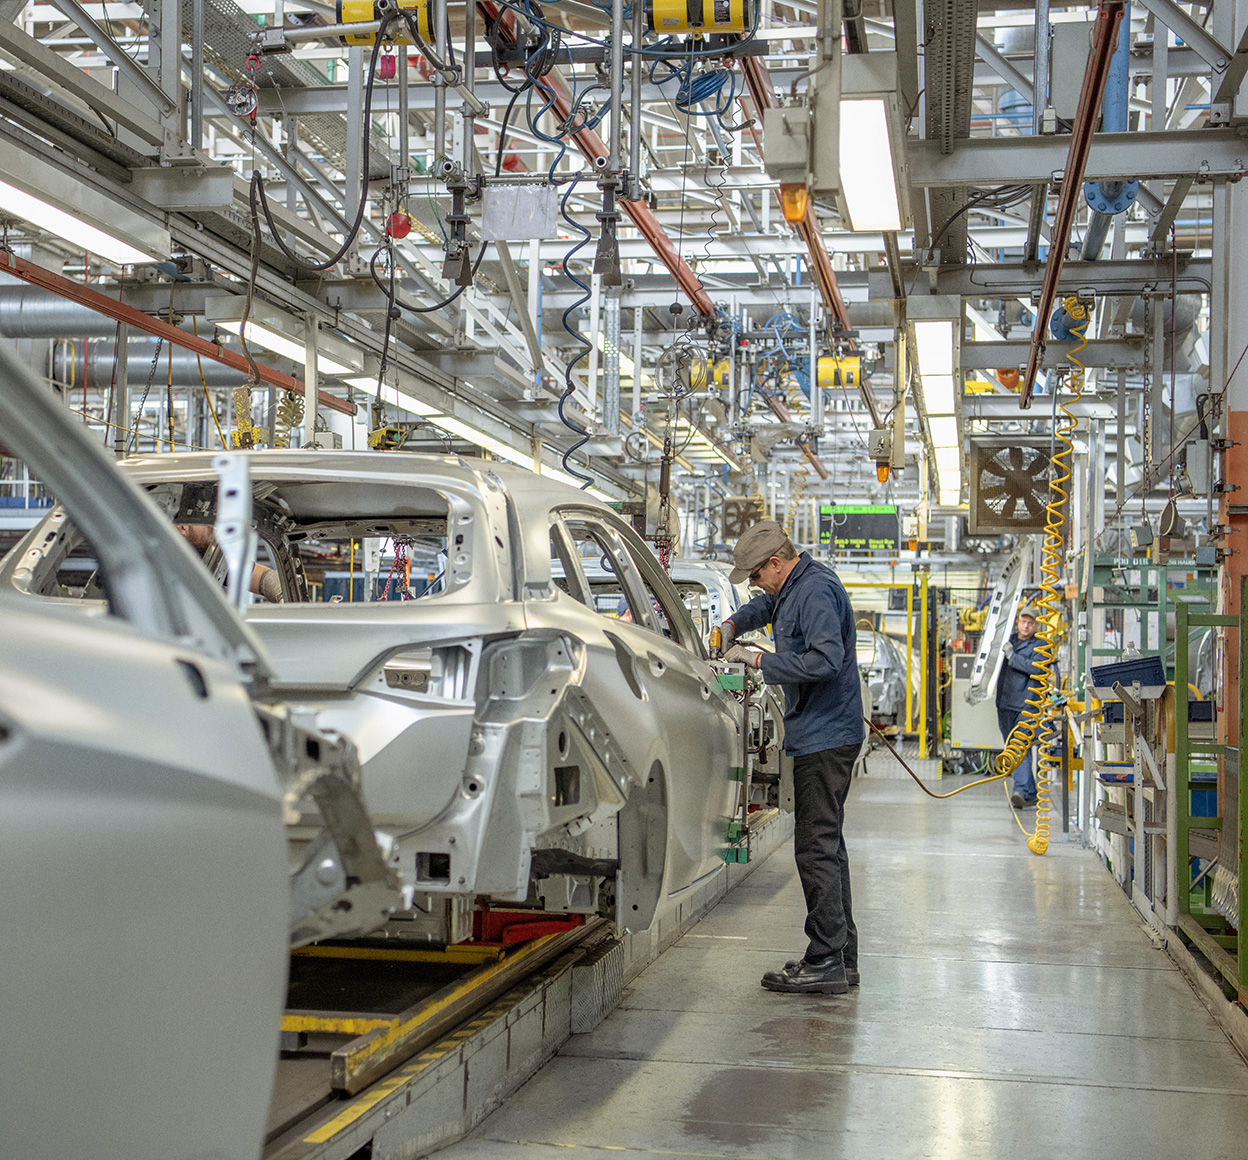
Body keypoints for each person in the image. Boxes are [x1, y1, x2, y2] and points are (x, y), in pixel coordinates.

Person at [718, 519, 865, 997]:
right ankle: (841, 957)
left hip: (827, 737)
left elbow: (824, 661)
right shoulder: (794, 586)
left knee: (815, 849)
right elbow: (767, 605)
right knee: (829, 847)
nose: (755, 585)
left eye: (756, 575)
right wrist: (732, 625)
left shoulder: (816, 592)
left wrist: (758, 660)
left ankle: (823, 959)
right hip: (821, 732)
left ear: (776, 563)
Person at [996, 604, 1047, 810]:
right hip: (1004, 703)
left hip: (1026, 704)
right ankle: (1030, 793)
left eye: (1030, 623)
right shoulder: (1008, 642)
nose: (1026, 626)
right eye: (1023, 622)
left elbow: (1036, 668)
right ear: (1018, 622)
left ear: (1036, 626)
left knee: (1019, 747)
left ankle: (1020, 790)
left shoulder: (1041, 646)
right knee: (1013, 747)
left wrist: (1013, 657)